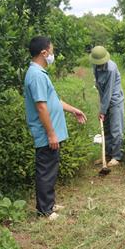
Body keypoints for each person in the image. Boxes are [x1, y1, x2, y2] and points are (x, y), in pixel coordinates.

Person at [24, 36, 87, 220]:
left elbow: (54, 101)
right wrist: (51, 134)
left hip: (51, 134)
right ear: (44, 53)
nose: (52, 54)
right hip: (46, 134)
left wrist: (73, 110)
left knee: (50, 168)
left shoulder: (40, 73)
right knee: (45, 170)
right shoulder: (35, 75)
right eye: (51, 51)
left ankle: (49, 203)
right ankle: (45, 210)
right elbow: (41, 106)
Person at [89, 46, 125, 167]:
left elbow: (109, 91)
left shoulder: (111, 69)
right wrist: (102, 106)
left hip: (115, 101)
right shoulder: (95, 66)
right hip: (105, 98)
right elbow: (100, 87)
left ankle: (116, 156)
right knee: (106, 128)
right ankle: (107, 154)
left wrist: (102, 111)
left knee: (116, 129)